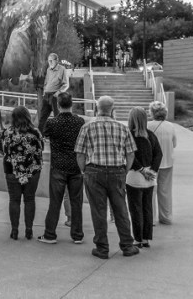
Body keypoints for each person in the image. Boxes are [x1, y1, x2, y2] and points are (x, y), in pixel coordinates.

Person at [74, 95, 139, 259]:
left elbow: (80, 154)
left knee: (98, 211)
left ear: (97, 109)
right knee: (121, 209)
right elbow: (130, 154)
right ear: (113, 110)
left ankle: (102, 248)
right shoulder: (122, 128)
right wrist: (124, 171)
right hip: (117, 171)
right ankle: (127, 245)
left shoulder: (87, 127)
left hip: (94, 171)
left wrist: (84, 171)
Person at [39, 91, 85, 245]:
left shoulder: (52, 123)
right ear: (71, 105)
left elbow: (43, 135)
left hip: (58, 166)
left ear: (58, 105)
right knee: (76, 202)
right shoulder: (80, 122)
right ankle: (77, 235)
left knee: (55, 202)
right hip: (76, 166)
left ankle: (50, 234)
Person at [0, 106, 43, 240]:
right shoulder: (35, 132)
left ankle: (14, 230)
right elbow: (41, 149)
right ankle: (29, 230)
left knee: (14, 200)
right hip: (32, 170)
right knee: (30, 199)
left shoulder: (7, 133)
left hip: (12, 170)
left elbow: (2, 151)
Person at [126, 107, 162, 248]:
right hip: (150, 179)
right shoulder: (151, 135)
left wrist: (141, 169)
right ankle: (146, 238)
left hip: (134, 177)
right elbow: (159, 154)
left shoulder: (129, 135)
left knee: (135, 209)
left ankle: (138, 238)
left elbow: (129, 155)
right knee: (147, 208)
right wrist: (152, 170)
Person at [147, 100, 176, 225]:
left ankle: (151, 218)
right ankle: (166, 217)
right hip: (168, 162)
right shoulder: (170, 126)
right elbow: (174, 143)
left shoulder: (148, 126)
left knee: (150, 191)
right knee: (165, 191)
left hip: (152, 164)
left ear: (152, 112)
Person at [38, 53, 70, 134]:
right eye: (49, 61)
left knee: (57, 118)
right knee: (42, 117)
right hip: (46, 96)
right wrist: (45, 91)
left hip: (55, 96)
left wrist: (58, 93)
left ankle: (58, 137)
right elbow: (46, 82)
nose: (50, 62)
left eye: (51, 60)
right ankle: (39, 137)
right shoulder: (48, 69)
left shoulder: (62, 69)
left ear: (56, 61)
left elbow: (66, 84)